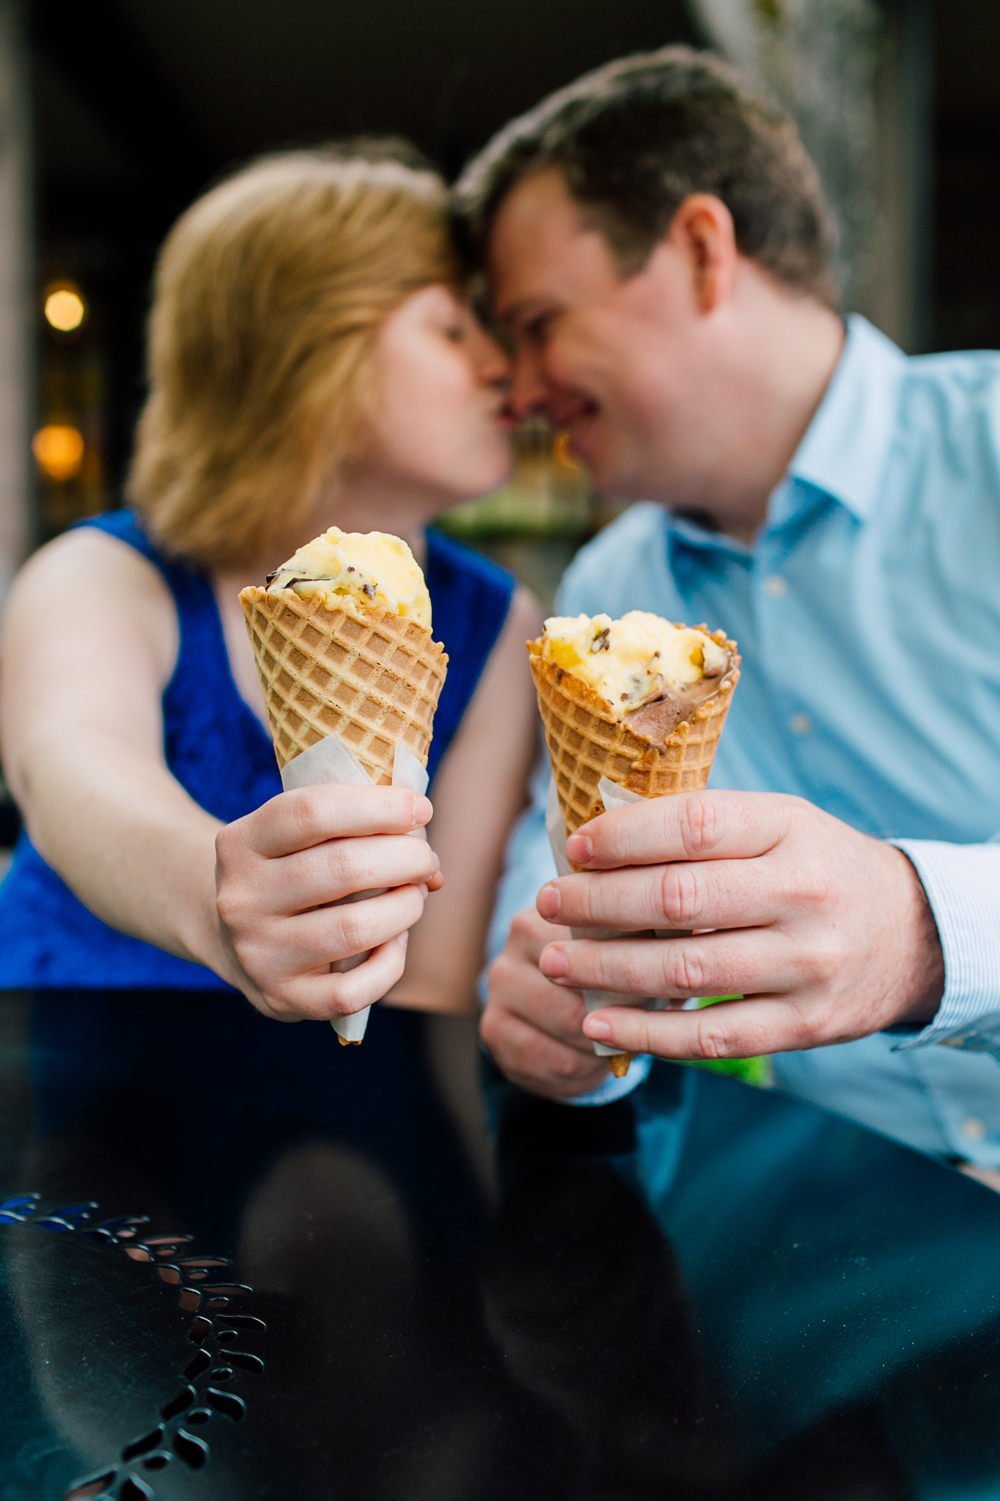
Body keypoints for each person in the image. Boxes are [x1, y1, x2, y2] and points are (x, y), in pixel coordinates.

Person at [454, 48, 1000, 1168]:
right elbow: (550, 877)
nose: (516, 389)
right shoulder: (608, 592)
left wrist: (920, 930)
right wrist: (544, 997)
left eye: (539, 320)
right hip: (825, 1255)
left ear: (702, 251)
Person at [0, 144, 541, 1028]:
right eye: (452, 328)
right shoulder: (100, 576)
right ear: (304, 350)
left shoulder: (496, 621)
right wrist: (212, 889)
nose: (501, 364)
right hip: (61, 1082)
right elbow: (67, 773)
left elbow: (429, 987)